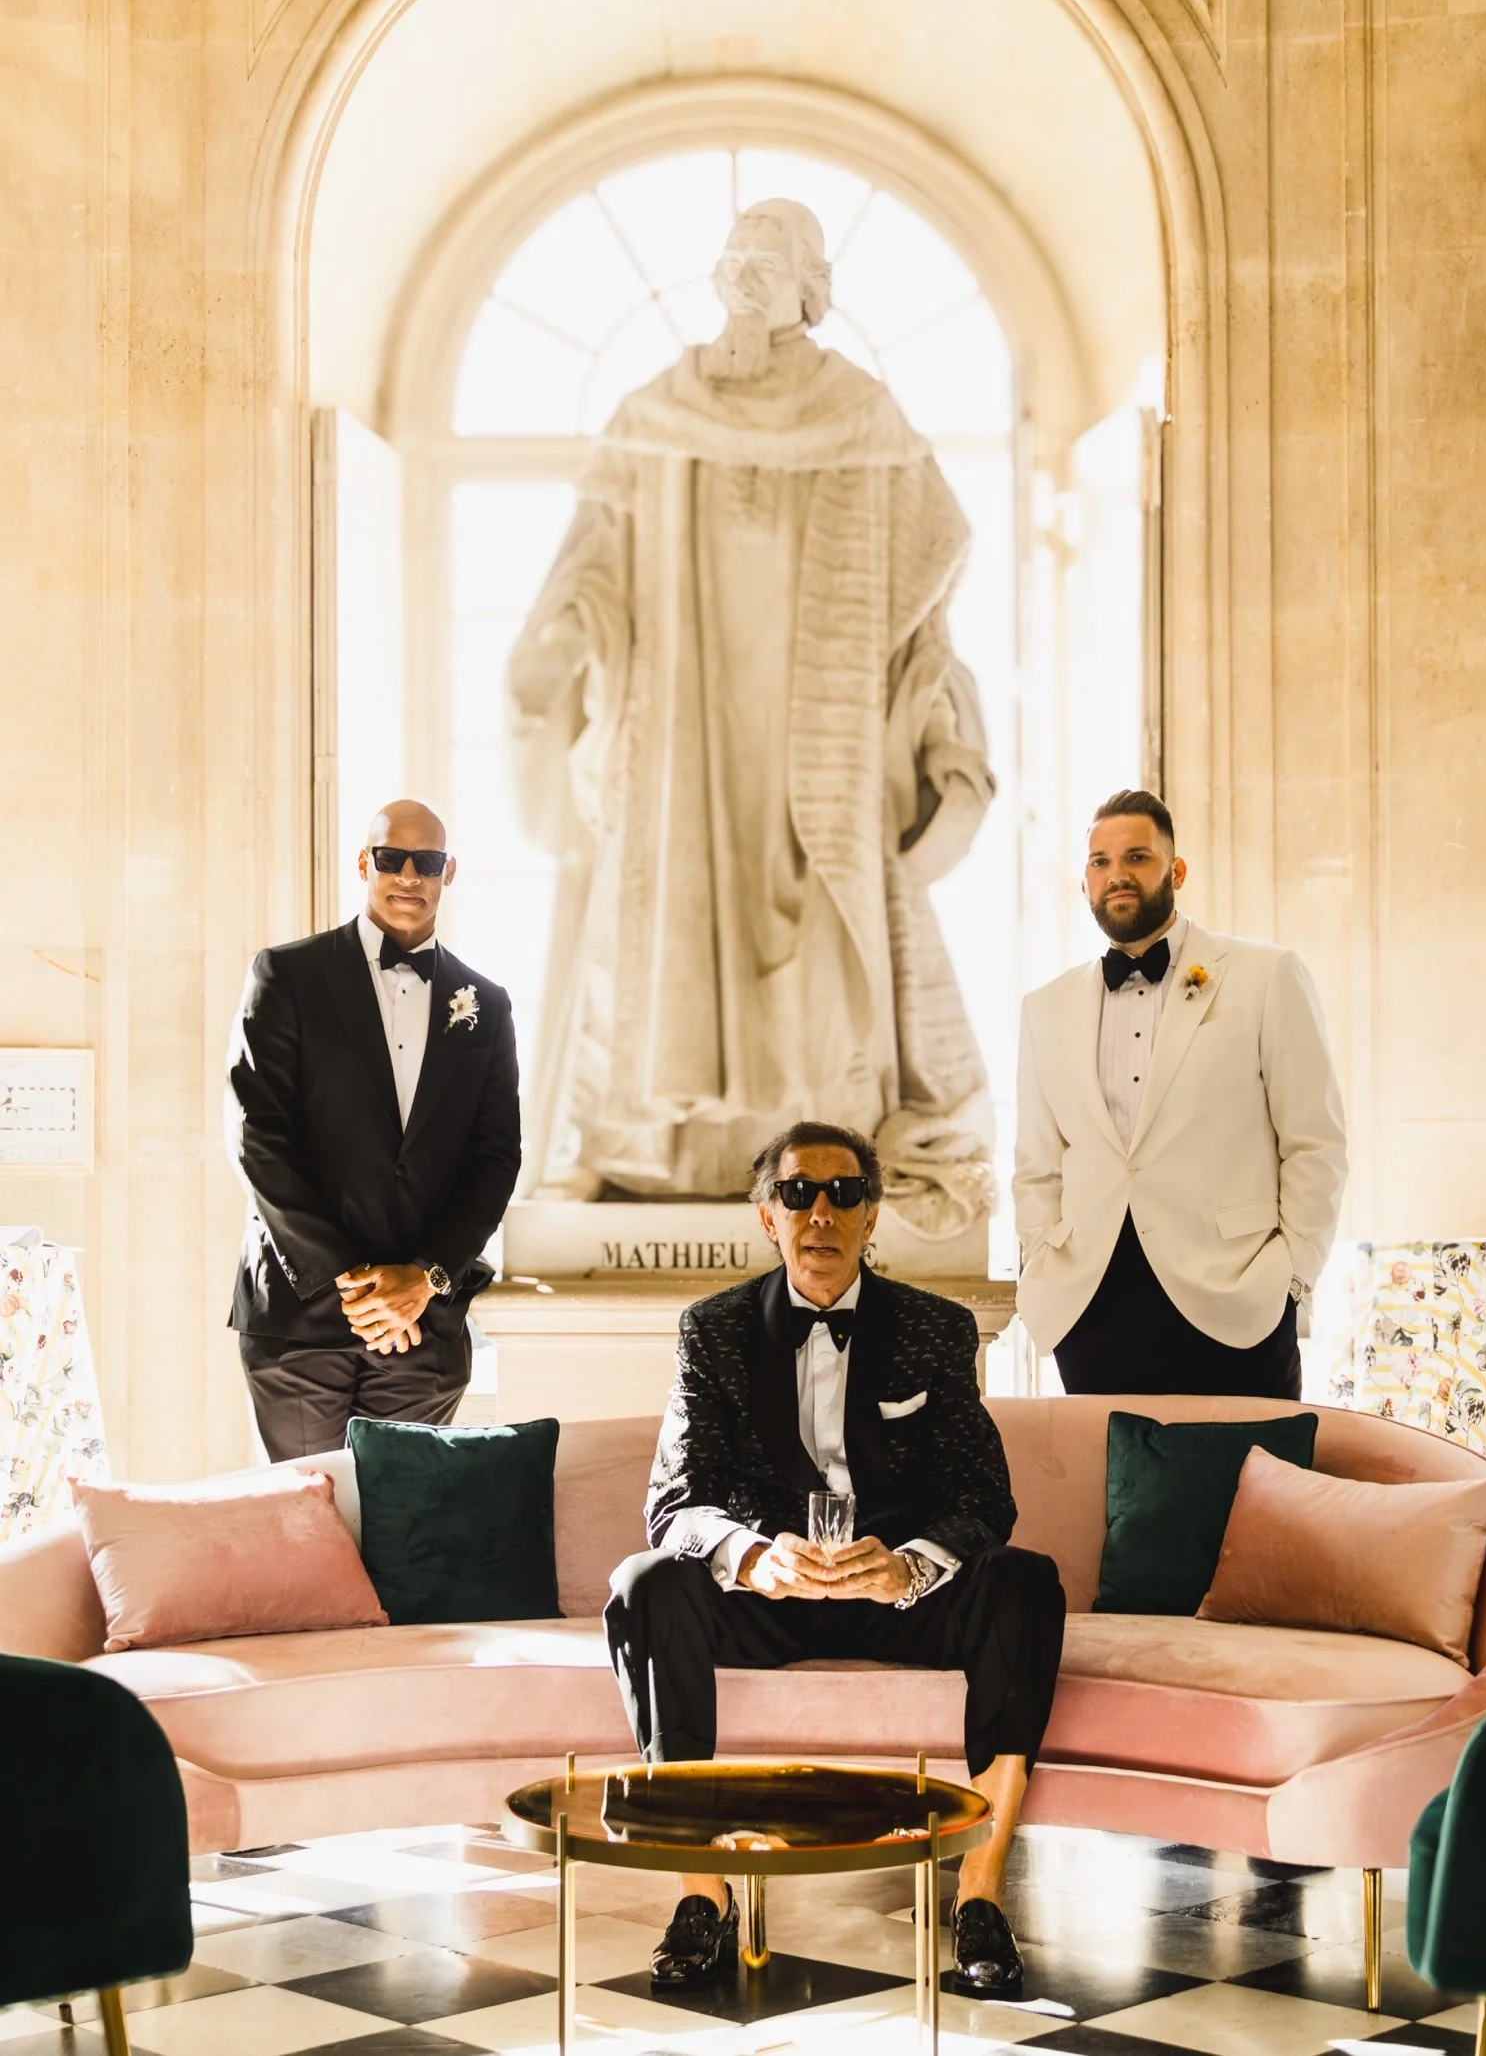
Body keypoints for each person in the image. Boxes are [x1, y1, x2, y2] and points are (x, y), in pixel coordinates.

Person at [507, 198, 996, 1243]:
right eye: (735, 258)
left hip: (817, 726)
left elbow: (933, 558)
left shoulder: (862, 414)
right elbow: (592, 558)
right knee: (675, 902)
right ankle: (664, 1150)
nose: (745, 274)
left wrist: (934, 718)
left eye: (769, 261)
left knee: (817, 923)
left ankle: (810, 1160)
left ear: (813, 288)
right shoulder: (657, 411)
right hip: (684, 723)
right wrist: (566, 637)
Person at [605, 1122, 1065, 1997]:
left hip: (896, 1595)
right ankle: (702, 1893)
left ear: (871, 1216)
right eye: (798, 1193)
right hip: (768, 1597)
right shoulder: (713, 1330)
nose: (821, 1211)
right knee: (645, 1584)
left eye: (844, 1193)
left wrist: (909, 1566)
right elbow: (674, 1503)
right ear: (768, 1217)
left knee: (1025, 1581)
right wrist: (751, 1557)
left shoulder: (936, 1327)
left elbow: (984, 1498)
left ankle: (979, 1894)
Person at [1013, 788, 1347, 1397]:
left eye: (1137, 857)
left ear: (1177, 871)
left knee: (1253, 1461)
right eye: (1100, 862)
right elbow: (1036, 1166)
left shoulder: (1265, 975)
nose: (1117, 875)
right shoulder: (1046, 1009)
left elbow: (1314, 1140)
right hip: (1090, 1309)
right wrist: (1041, 1259)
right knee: (1103, 1465)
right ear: (1084, 883)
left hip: (1235, 1299)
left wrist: (1292, 1278)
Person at [225, 800, 522, 1460]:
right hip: (299, 1319)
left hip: (423, 1327)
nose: (410, 876)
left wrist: (424, 1277)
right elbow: (256, 1134)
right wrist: (354, 1285)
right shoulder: (287, 975)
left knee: (404, 1513)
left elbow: (497, 1158)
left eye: (428, 862)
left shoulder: (488, 1004)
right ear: (365, 863)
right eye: (392, 858)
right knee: (306, 1508)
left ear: (448, 872)